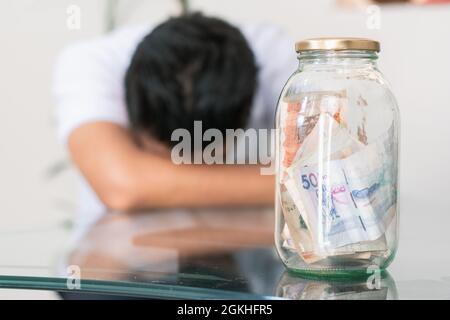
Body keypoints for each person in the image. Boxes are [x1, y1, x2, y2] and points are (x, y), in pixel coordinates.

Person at [53, 13, 296, 238]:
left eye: (210, 159)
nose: (186, 171)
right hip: (121, 259)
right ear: (130, 109)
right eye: (164, 160)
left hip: (248, 263)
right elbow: (123, 187)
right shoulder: (91, 62)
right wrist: (294, 184)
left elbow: (329, 166)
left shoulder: (273, 55)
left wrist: (151, 175)